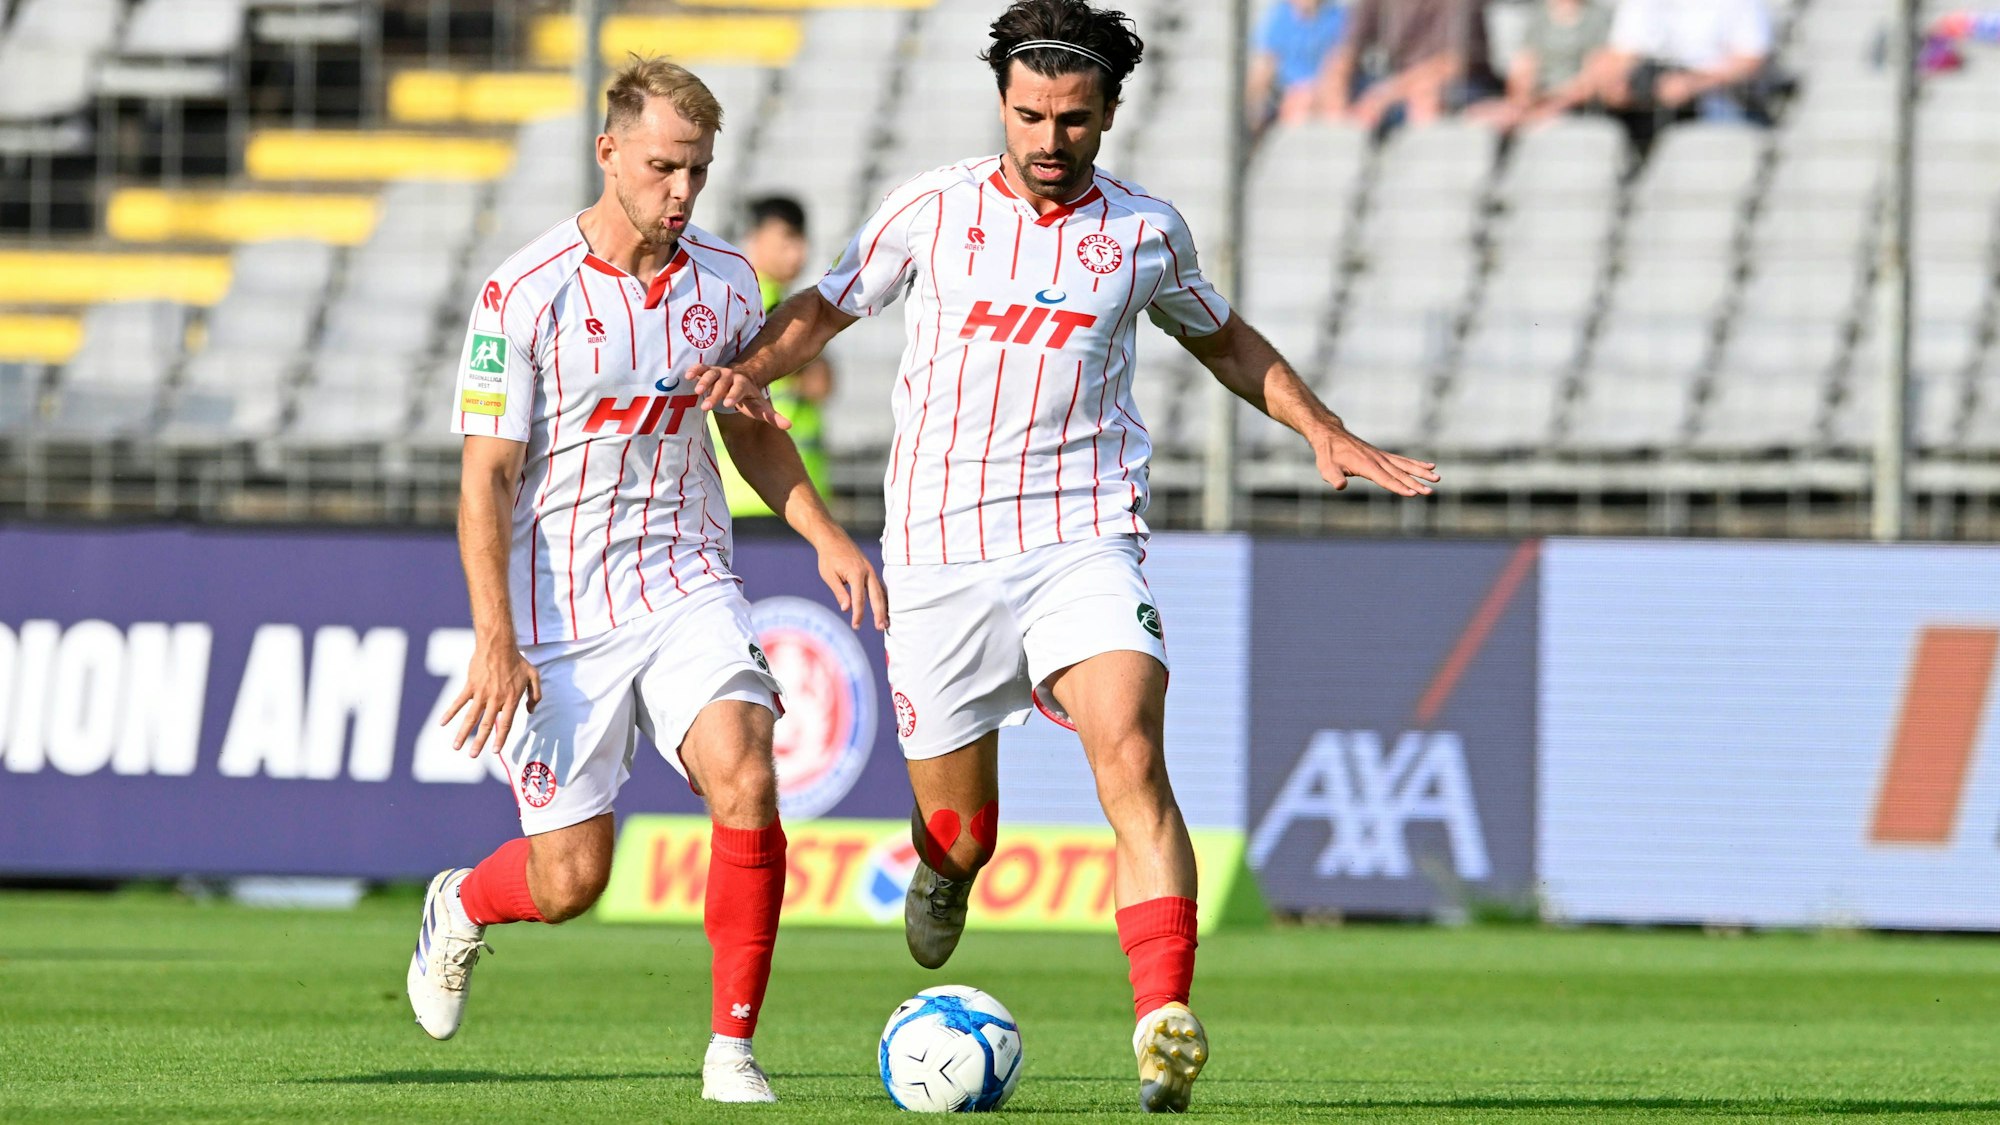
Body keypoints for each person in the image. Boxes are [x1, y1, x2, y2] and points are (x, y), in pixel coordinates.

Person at [689, 0, 1439, 1112]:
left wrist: (1318, 426)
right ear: (1001, 100)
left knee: (1128, 752)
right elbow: (822, 307)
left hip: (1080, 538)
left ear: (1108, 116)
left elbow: (1221, 337)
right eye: (1030, 114)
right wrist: (748, 366)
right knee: (956, 831)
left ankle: (1161, 1022)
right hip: (939, 560)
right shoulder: (931, 211)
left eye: (1073, 120)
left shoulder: (1141, 235)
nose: (1048, 140)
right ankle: (945, 876)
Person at [405, 56, 886, 1106]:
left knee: (748, 774)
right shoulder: (520, 295)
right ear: (607, 153)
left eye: (697, 173)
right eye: (663, 167)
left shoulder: (723, 280)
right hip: (558, 613)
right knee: (571, 881)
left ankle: (730, 1050)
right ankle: (461, 908)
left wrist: (819, 531)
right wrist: (495, 637)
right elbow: (485, 480)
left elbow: (747, 429)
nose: (680, 192)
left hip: (685, 581)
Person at [712, 195, 836, 518]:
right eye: (787, 239)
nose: (798, 253)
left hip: (776, 493)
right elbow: (820, 382)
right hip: (762, 494)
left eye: (801, 240)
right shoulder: (755, 305)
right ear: (753, 238)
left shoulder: (776, 301)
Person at [1577, 0, 1774, 126]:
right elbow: (1622, 53)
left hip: (1714, 92)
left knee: (1722, 113)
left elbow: (1751, 61)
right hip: (1652, 90)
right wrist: (1611, 80)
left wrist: (1693, 84)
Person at [1316, 0, 1495, 130]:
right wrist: (1335, 91)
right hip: (1393, 83)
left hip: (1463, 85)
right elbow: (1344, 52)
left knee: (1425, 99)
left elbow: (1455, 63)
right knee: (1303, 99)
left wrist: (1387, 93)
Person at [1465, 0, 1613, 131]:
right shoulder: (1537, 14)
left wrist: (1551, 106)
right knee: (1475, 118)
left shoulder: (1598, 16)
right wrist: (1521, 105)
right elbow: (1525, 64)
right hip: (1538, 98)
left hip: (1574, 104)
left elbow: (1592, 76)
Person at [1245, 0, 1348, 138]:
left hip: (1323, 95)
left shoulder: (1338, 18)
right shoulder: (1279, 16)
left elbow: (1340, 66)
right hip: (1284, 96)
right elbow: (1263, 68)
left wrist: (1311, 93)